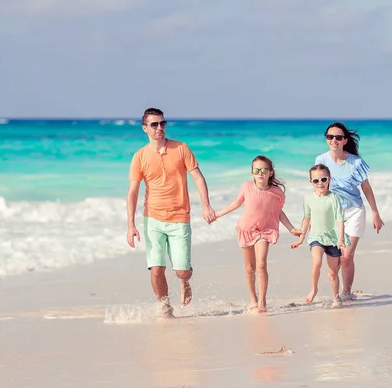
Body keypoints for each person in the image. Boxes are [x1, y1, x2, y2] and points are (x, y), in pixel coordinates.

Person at [126, 108, 217, 317]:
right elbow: (132, 192)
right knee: (156, 268)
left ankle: (185, 281)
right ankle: (165, 307)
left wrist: (206, 205)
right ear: (145, 128)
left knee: (181, 271)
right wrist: (131, 225)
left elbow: (198, 177)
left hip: (179, 217)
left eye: (162, 123)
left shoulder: (181, 148)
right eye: (154, 124)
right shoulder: (140, 156)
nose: (159, 128)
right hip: (153, 219)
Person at [213, 155, 301, 313]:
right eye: (256, 170)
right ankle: (253, 298)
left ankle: (262, 301)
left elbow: (279, 212)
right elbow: (236, 203)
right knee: (249, 267)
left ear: (270, 173)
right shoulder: (247, 186)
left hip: (265, 230)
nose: (260, 173)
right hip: (246, 229)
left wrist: (292, 229)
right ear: (252, 173)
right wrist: (218, 214)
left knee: (261, 263)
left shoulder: (276, 192)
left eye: (264, 170)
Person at [314, 122, 385, 300]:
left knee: (346, 256)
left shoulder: (356, 162)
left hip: (354, 212)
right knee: (334, 258)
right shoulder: (320, 160)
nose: (334, 140)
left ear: (345, 140)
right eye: (330, 137)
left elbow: (366, 188)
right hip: (332, 214)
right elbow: (318, 188)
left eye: (338, 137)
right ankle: (335, 294)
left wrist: (375, 213)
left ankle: (347, 293)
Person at [291, 164, 350, 307]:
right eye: (316, 180)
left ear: (329, 179)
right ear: (311, 182)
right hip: (316, 236)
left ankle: (336, 297)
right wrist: (301, 238)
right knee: (317, 262)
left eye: (323, 179)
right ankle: (314, 289)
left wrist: (341, 239)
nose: (320, 183)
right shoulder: (308, 198)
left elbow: (340, 219)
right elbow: (306, 218)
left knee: (332, 273)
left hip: (333, 238)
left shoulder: (333, 198)